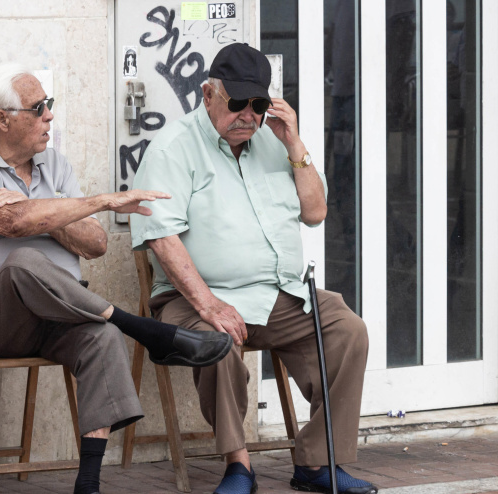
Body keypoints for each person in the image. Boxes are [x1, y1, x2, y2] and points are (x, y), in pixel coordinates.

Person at [0, 63, 233, 494]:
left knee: (101, 339)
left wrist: (41, 211)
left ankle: (89, 484)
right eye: (38, 108)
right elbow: (14, 226)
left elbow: (94, 243)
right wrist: (86, 204)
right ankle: (140, 328)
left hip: (55, 316)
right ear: (2, 119)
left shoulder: (53, 163)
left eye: (49, 105)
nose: (49, 116)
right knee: (22, 261)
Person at [131, 43, 377, 494]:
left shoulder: (274, 142)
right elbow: (160, 238)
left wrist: (296, 143)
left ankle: (317, 462)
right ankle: (238, 465)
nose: (248, 114)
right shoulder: (173, 148)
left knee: (347, 329)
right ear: (208, 95)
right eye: (237, 102)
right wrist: (209, 304)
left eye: (258, 104)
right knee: (217, 340)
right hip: (195, 297)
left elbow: (316, 212)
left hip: (275, 294)